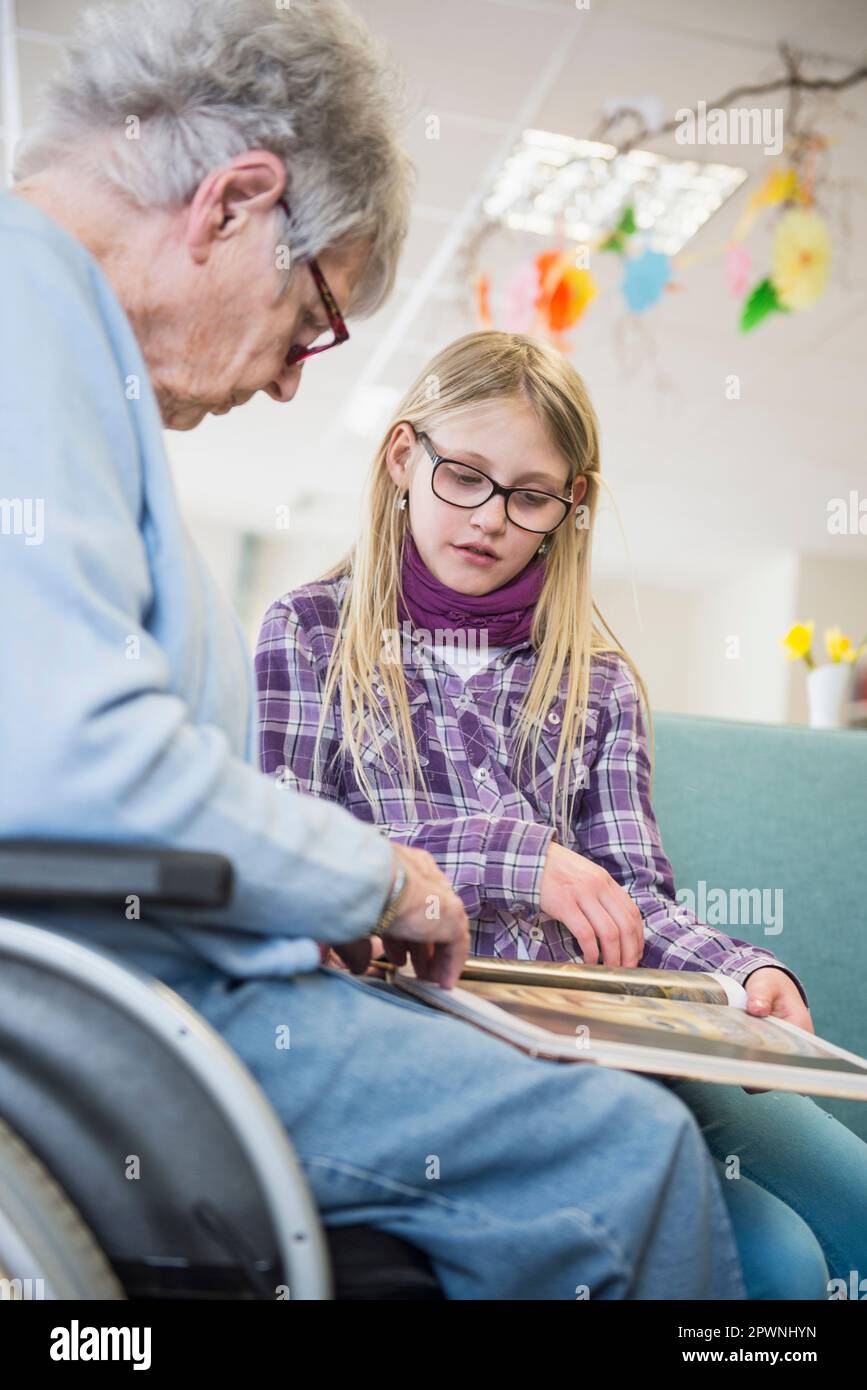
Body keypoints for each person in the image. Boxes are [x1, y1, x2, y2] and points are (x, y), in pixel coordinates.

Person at [1, 0, 749, 1299]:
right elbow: (77, 759)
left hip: (158, 986)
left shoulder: (53, 334)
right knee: (625, 1154)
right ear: (232, 205)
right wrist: (383, 877)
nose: (295, 376)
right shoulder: (28, 317)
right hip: (135, 1018)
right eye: (316, 311)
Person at [257, 330, 867, 1299]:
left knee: (855, 1195)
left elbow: (635, 899)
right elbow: (292, 854)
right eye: (464, 475)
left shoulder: (600, 681)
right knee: (780, 1263)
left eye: (530, 494)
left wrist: (743, 969)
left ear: (569, 506)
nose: (491, 517)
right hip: (432, 1037)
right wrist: (520, 856)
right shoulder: (308, 632)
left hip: (605, 1039)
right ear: (404, 457)